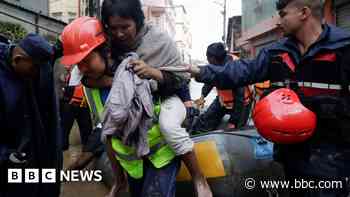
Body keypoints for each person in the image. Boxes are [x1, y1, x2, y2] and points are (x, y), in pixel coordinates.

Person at [189, 0, 350, 196]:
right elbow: (241, 71)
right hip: (289, 154)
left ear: (304, 13)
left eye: (283, 14)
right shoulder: (277, 52)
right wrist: (200, 71)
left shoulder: (343, 48)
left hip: (331, 158)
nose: (277, 21)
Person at [60, 14, 212, 197]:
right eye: (78, 64)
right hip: (133, 162)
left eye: (86, 61)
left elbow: (176, 80)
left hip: (161, 154)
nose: (82, 68)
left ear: (106, 51)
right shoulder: (90, 83)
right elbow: (107, 131)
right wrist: (118, 179)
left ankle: (198, 178)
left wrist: (186, 102)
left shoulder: (138, 64)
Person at [0, 33, 62, 197]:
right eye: (35, 68)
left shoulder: (31, 68)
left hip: (35, 151)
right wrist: (5, 155)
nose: (38, 74)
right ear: (18, 59)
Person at [193, 43, 250, 132]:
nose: (207, 60)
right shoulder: (216, 64)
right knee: (205, 121)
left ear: (213, 58)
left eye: (208, 57)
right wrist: (202, 96)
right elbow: (209, 82)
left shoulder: (234, 68)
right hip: (223, 101)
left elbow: (240, 97)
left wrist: (233, 121)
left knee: (236, 131)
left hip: (241, 104)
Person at [60, 66, 94, 169]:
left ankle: (84, 153)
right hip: (73, 102)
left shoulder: (77, 68)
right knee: (66, 130)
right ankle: (63, 154)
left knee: (85, 131)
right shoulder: (76, 70)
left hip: (79, 102)